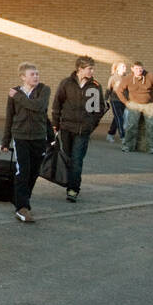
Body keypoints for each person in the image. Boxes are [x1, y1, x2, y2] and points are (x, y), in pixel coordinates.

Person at [0, 62, 52, 222]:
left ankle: (21, 199)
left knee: (34, 172)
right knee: (23, 171)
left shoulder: (44, 90)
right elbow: (10, 117)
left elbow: (38, 106)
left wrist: (18, 97)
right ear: (23, 77)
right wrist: (5, 141)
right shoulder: (15, 92)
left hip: (39, 137)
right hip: (20, 137)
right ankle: (22, 207)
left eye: (37, 73)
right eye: (32, 74)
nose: (36, 76)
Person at [51, 56, 108, 202]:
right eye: (90, 68)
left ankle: (73, 189)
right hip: (66, 128)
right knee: (68, 158)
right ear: (80, 69)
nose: (92, 71)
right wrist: (55, 125)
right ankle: (70, 182)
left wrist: (91, 125)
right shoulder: (66, 83)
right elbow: (57, 104)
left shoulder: (95, 86)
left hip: (83, 131)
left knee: (77, 160)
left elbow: (98, 109)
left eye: (92, 68)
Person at [116, 61, 153, 154]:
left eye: (140, 68)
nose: (139, 70)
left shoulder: (150, 76)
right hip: (134, 104)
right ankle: (128, 146)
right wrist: (126, 103)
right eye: (136, 68)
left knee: (151, 126)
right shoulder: (128, 78)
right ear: (132, 69)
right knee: (131, 125)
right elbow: (119, 91)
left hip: (149, 105)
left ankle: (152, 147)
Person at [106, 60, 128, 144]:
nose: (125, 68)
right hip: (115, 100)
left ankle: (110, 134)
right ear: (118, 68)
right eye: (123, 66)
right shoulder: (113, 78)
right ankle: (123, 137)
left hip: (124, 101)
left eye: (125, 66)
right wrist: (105, 100)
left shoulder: (127, 78)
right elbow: (108, 90)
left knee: (117, 118)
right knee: (120, 118)